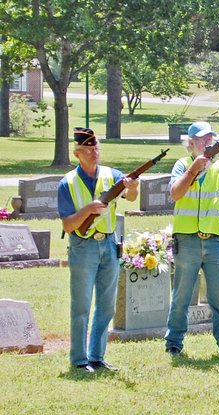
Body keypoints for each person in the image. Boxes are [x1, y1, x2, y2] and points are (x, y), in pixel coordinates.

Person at [58, 127, 140, 373]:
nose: (94, 153)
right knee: (81, 305)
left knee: (106, 305)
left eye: (96, 149)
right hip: (83, 245)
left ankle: (97, 356)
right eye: (89, 150)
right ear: (77, 153)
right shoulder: (67, 183)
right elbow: (68, 224)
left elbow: (132, 196)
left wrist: (133, 185)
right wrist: (88, 209)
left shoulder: (111, 175)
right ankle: (79, 359)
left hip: (108, 243)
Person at [164, 121, 219, 358]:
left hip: (214, 239)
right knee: (182, 296)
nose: (206, 142)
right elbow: (175, 193)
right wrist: (193, 170)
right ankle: (174, 343)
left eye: (209, 138)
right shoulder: (182, 164)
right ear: (191, 144)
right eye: (200, 139)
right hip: (186, 239)